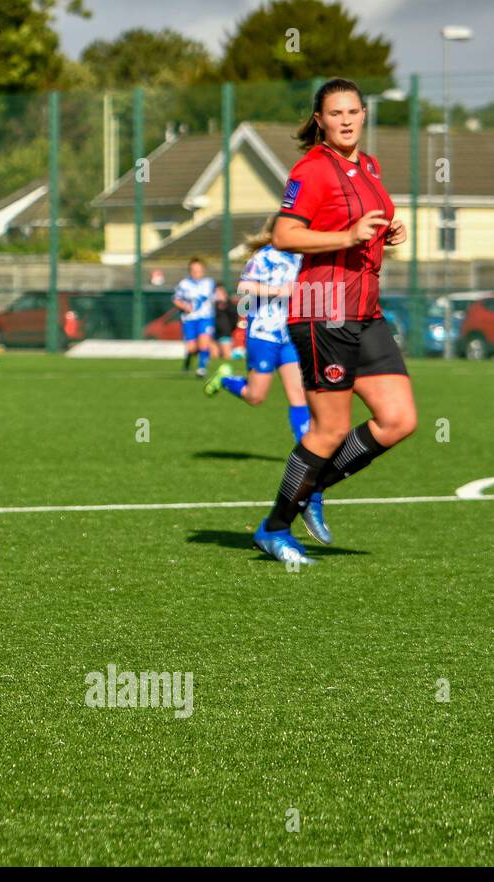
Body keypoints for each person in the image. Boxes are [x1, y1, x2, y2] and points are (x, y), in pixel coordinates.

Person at [252, 77, 415, 565]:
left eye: (353, 111)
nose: (345, 120)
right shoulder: (312, 168)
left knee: (399, 420)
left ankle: (311, 487)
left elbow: (364, 222)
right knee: (330, 430)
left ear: (364, 114)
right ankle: (275, 527)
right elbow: (284, 234)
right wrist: (347, 235)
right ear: (320, 120)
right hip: (324, 310)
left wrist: (386, 230)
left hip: (366, 312)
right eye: (335, 113)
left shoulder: (368, 165)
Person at [204, 216, 314, 448]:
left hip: (291, 336)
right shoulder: (264, 256)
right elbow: (244, 287)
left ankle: (304, 453)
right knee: (256, 397)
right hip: (264, 335)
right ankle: (225, 379)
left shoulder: (304, 257)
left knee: (299, 395)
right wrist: (277, 291)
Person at [173, 258, 217, 377]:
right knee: (192, 348)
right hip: (189, 319)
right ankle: (189, 356)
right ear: (190, 271)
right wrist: (184, 306)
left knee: (204, 343)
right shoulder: (184, 284)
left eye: (199, 270)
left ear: (203, 271)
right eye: (194, 270)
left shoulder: (209, 283)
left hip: (205, 318)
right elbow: (176, 300)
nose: (196, 273)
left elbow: (211, 297)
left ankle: (201, 368)